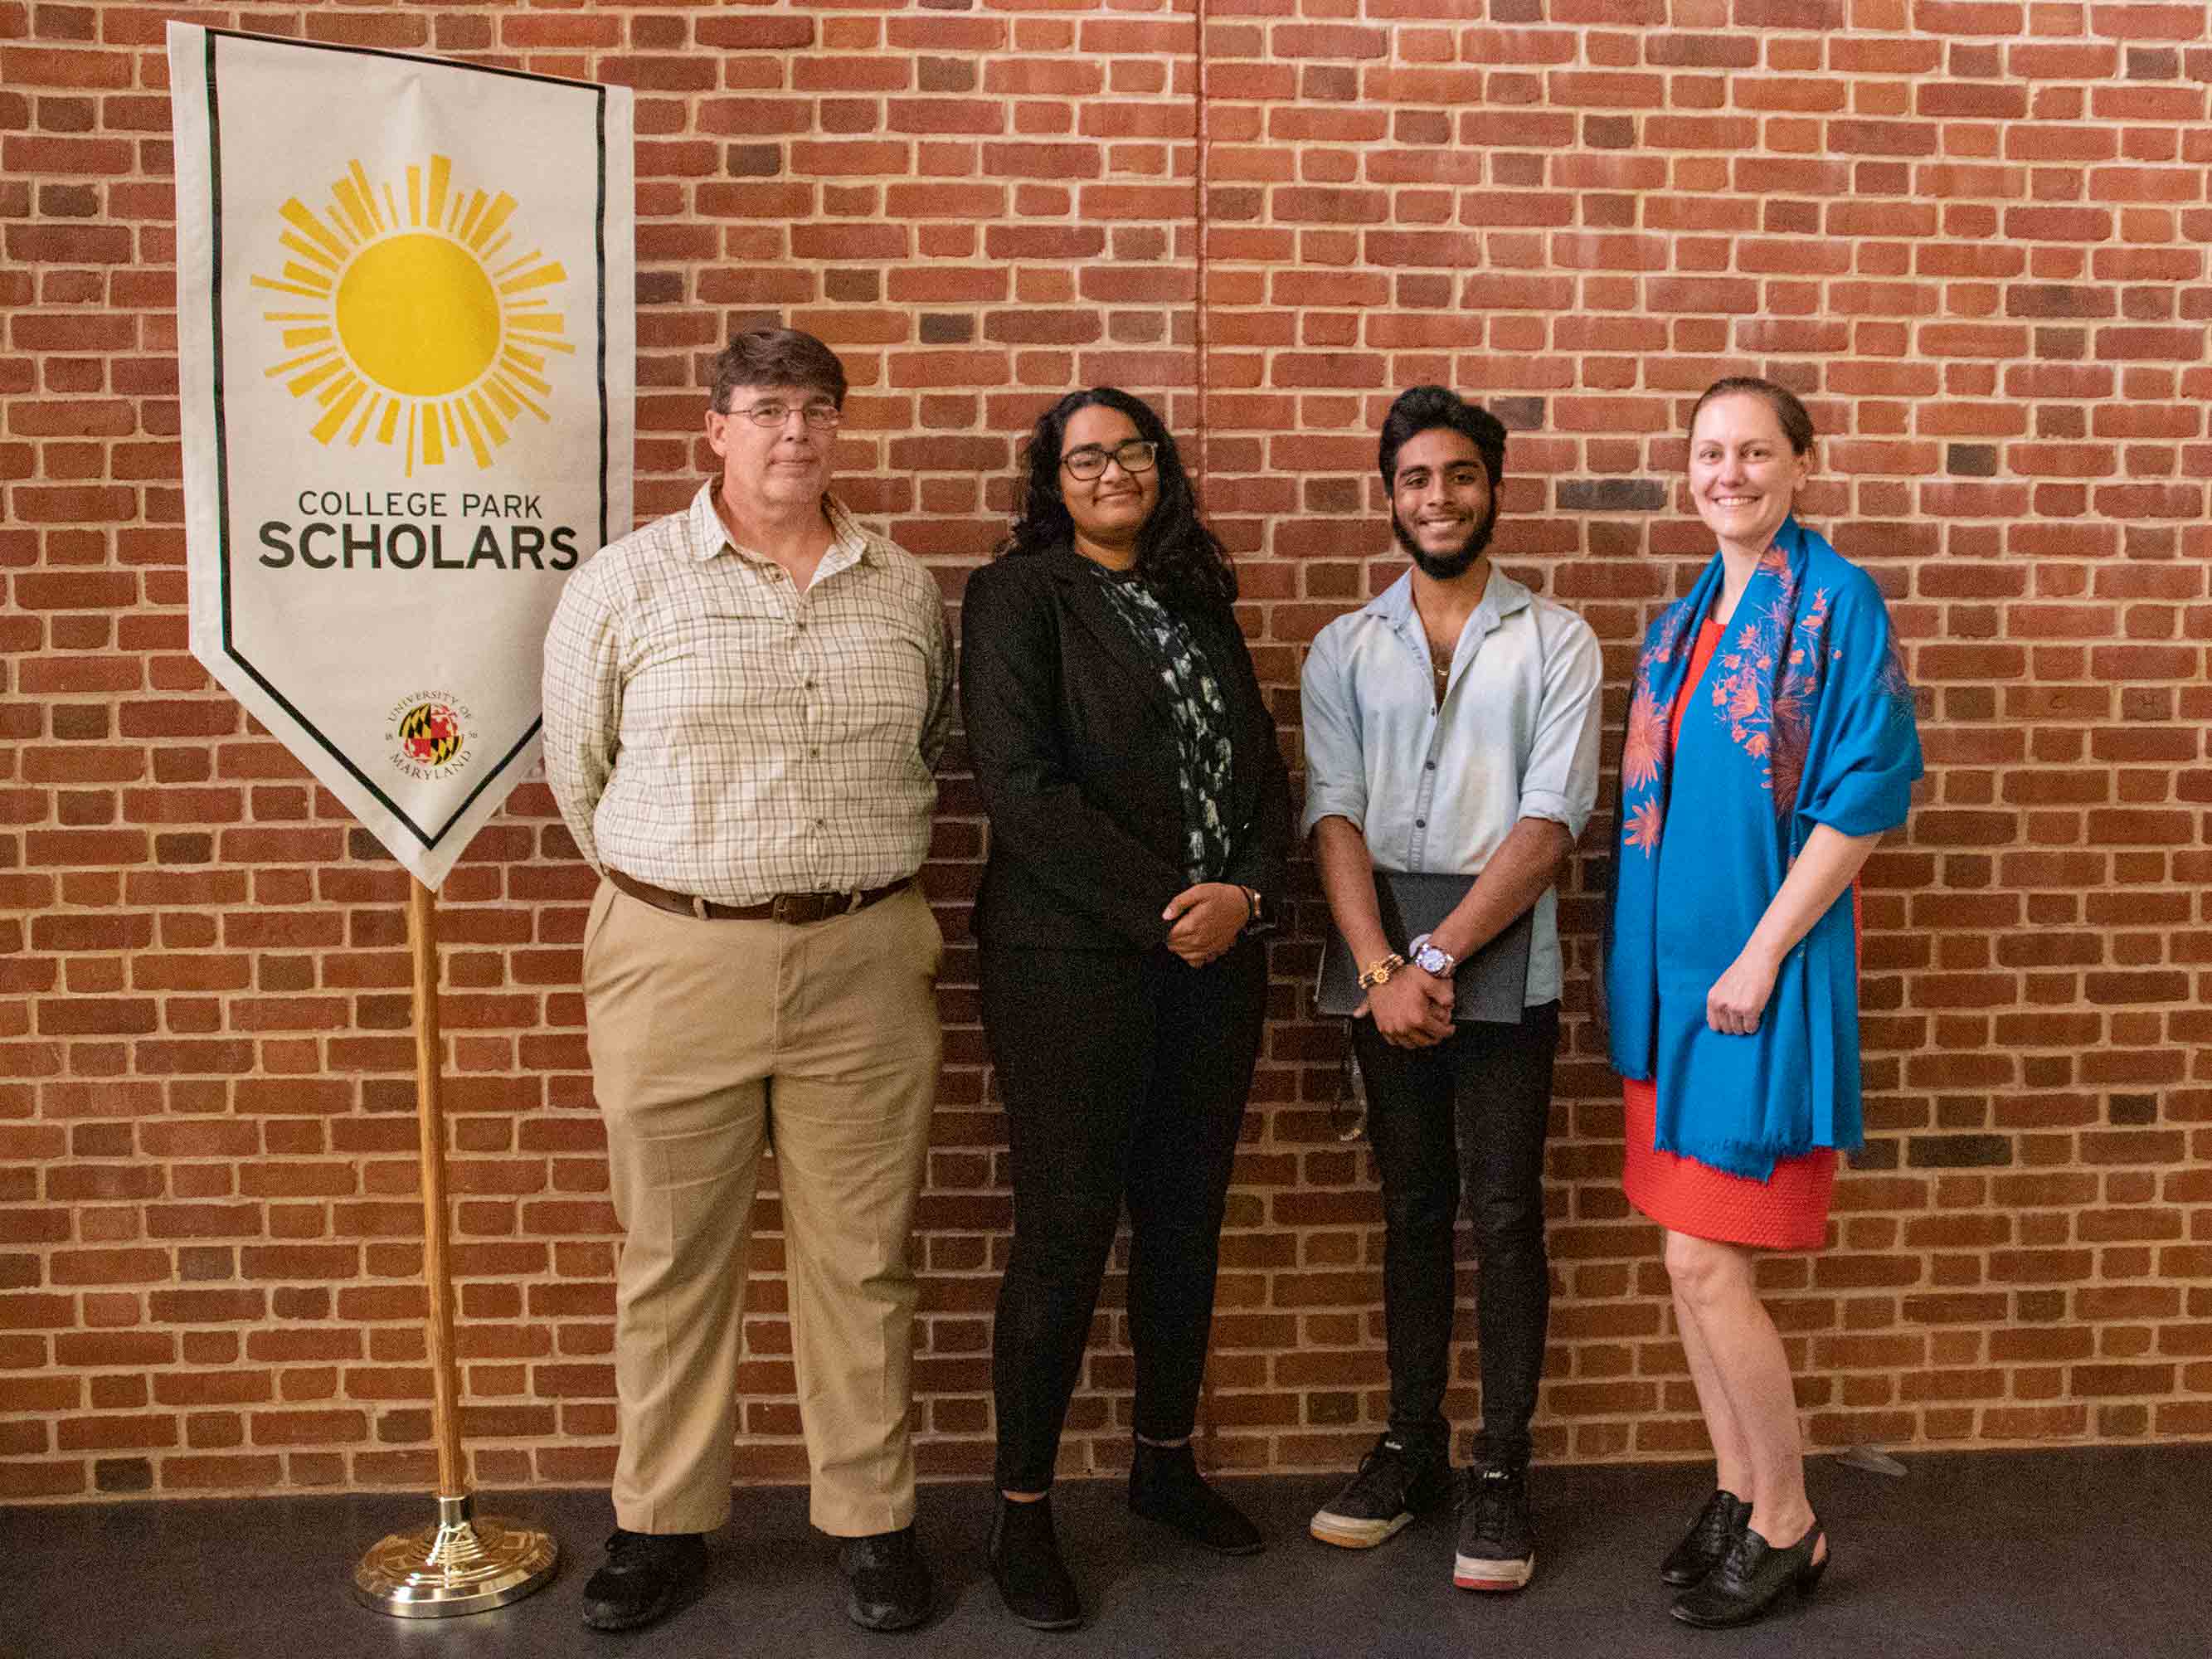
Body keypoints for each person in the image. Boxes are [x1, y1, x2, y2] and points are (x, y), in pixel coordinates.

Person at [542, 328, 953, 1635]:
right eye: (768, 410)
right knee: (670, 1257)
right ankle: (659, 1525)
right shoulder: (626, 584)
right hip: (677, 952)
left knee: (863, 1259)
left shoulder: (903, 588)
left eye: (819, 411)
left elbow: (932, 743)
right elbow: (578, 772)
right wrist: (686, 892)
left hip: (868, 958)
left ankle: (873, 1522)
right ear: (713, 429)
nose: (797, 435)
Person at [959, 387, 1293, 1631]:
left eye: (1131, 451)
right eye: (1084, 456)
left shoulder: (1199, 598)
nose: (1112, 472)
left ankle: (1162, 1465)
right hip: (1071, 964)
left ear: (1161, 468)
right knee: (1064, 1230)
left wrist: (1248, 895)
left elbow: (1262, 773)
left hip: (1217, 965)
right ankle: (1023, 1510)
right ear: (1052, 477)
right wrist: (1173, 907)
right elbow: (1022, 788)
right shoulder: (1019, 597)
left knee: (1184, 1222)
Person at [1603, 377, 1921, 1628]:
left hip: (1753, 984)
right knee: (1686, 1269)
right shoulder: (1685, 618)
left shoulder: (1836, 603)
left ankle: (1790, 1522)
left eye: (1754, 452)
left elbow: (1863, 795)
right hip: (1667, 994)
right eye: (1709, 452)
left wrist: (1759, 956)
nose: (1727, 472)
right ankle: (1738, 1490)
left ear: (1803, 464)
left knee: (1707, 1261)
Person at [1300, 387, 1603, 1593]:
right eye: (1418, 478)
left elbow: (1550, 821)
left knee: (1508, 1213)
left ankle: (1502, 1468)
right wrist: (1380, 967)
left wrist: (1434, 960)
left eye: (1461, 475)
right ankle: (1409, 1447)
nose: (1440, 497)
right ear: (1390, 496)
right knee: (1412, 1210)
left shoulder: (1556, 640)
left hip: (1499, 964)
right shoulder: (1342, 646)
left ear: (1494, 489)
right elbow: (1332, 811)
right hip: (1379, 969)